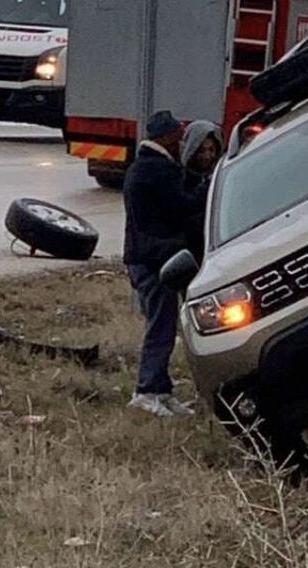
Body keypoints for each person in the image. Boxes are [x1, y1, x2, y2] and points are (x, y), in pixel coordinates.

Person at [122, 110, 205, 417]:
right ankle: (146, 391)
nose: (181, 142)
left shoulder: (141, 167)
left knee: (163, 326)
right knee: (161, 329)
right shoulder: (159, 170)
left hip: (143, 258)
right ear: (167, 137)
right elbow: (182, 208)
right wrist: (205, 188)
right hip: (154, 261)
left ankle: (162, 390)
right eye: (178, 137)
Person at [179, 120, 223, 262]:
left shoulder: (220, 176)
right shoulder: (179, 178)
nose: (207, 156)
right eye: (201, 151)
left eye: (211, 150)